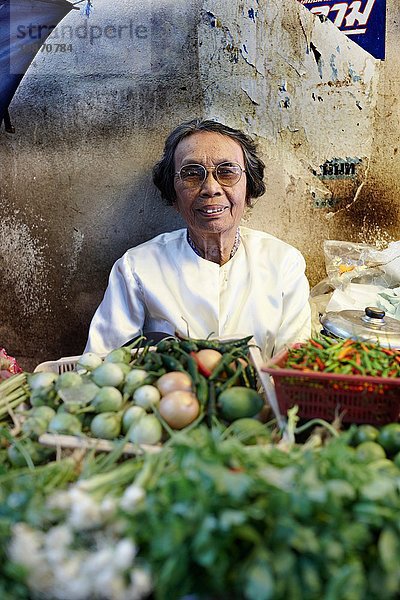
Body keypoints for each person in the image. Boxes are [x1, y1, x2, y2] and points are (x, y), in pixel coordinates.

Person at [84, 119, 311, 358]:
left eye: (227, 171)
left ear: (249, 188)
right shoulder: (137, 268)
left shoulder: (283, 262)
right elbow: (101, 363)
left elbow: (297, 363)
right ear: (172, 194)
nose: (211, 188)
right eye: (192, 174)